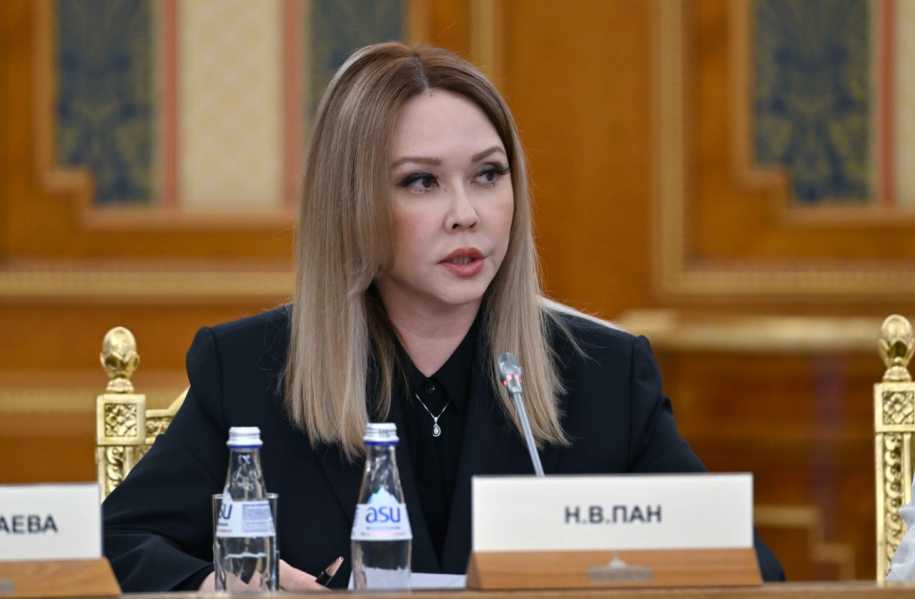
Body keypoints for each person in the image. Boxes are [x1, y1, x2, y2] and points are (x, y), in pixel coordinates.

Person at [102, 42, 784, 591]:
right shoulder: (250, 370)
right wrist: (217, 584)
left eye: (488, 174)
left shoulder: (604, 373)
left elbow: (748, 568)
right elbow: (114, 546)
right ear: (351, 203)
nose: (466, 213)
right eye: (421, 181)